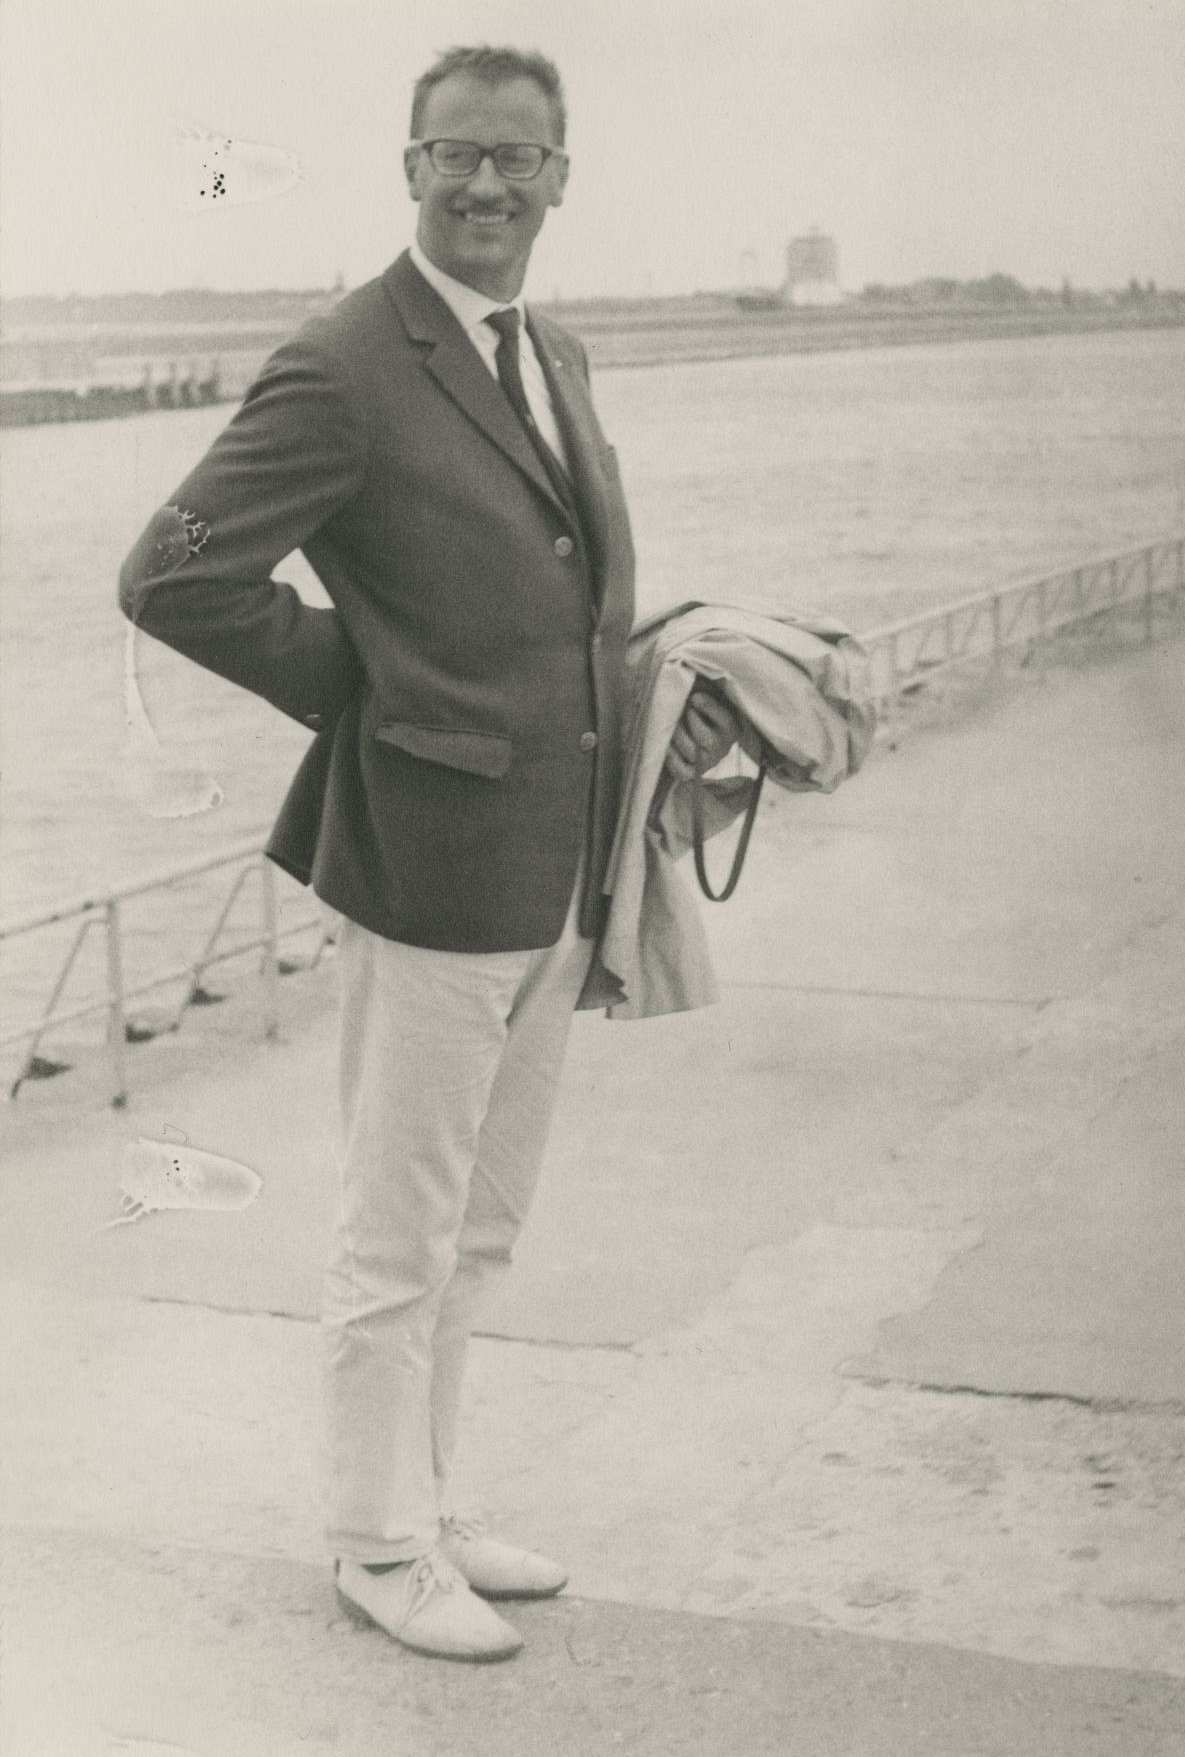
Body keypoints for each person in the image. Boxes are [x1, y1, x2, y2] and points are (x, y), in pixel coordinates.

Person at [119, 45, 736, 1664]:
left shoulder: (552, 349)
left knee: (481, 1226)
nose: (485, 187)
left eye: (516, 160)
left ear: (560, 178)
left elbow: (552, 585)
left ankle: (433, 1499)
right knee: (396, 1237)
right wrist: (368, 686)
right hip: (432, 861)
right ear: (407, 166)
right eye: (456, 156)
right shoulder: (340, 363)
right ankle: (374, 1544)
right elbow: (169, 569)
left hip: (554, 866)